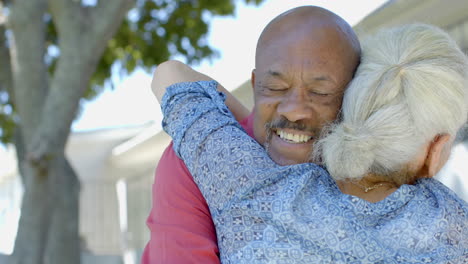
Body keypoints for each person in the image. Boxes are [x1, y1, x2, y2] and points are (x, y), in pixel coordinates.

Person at [153, 23, 468, 263]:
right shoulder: (455, 225)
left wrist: (256, 121)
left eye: (318, 93)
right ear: (436, 147)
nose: (294, 109)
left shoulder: (251, 183)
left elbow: (172, 76)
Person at [141, 6, 360, 263]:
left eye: (320, 92)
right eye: (275, 87)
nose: (293, 111)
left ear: (354, 95)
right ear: (256, 86)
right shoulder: (196, 156)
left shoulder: (375, 163)